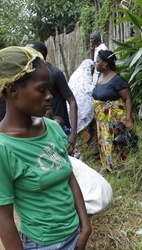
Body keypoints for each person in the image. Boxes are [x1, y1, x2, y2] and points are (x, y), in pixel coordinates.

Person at [0, 46, 91, 249]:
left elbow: (69, 176)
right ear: (12, 90)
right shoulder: (3, 148)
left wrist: (85, 229)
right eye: (42, 89)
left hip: (75, 235)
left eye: (49, 88)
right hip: (41, 244)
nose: (50, 96)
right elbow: (4, 218)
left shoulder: (51, 128)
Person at [25, 41, 78, 154]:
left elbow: (71, 101)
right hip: (41, 132)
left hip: (59, 129)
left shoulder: (55, 74)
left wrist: (73, 133)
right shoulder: (28, 78)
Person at [92, 49, 134, 173]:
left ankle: (121, 168)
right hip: (103, 120)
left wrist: (128, 118)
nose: (96, 64)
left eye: (98, 61)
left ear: (105, 64)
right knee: (105, 141)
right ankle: (108, 165)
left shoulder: (117, 80)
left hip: (115, 119)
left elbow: (127, 99)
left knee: (116, 142)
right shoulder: (100, 76)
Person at [67, 59, 98, 153]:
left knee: (80, 134)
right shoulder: (86, 79)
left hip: (73, 110)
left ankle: (80, 151)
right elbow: (92, 92)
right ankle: (88, 152)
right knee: (88, 132)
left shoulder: (75, 76)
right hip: (82, 109)